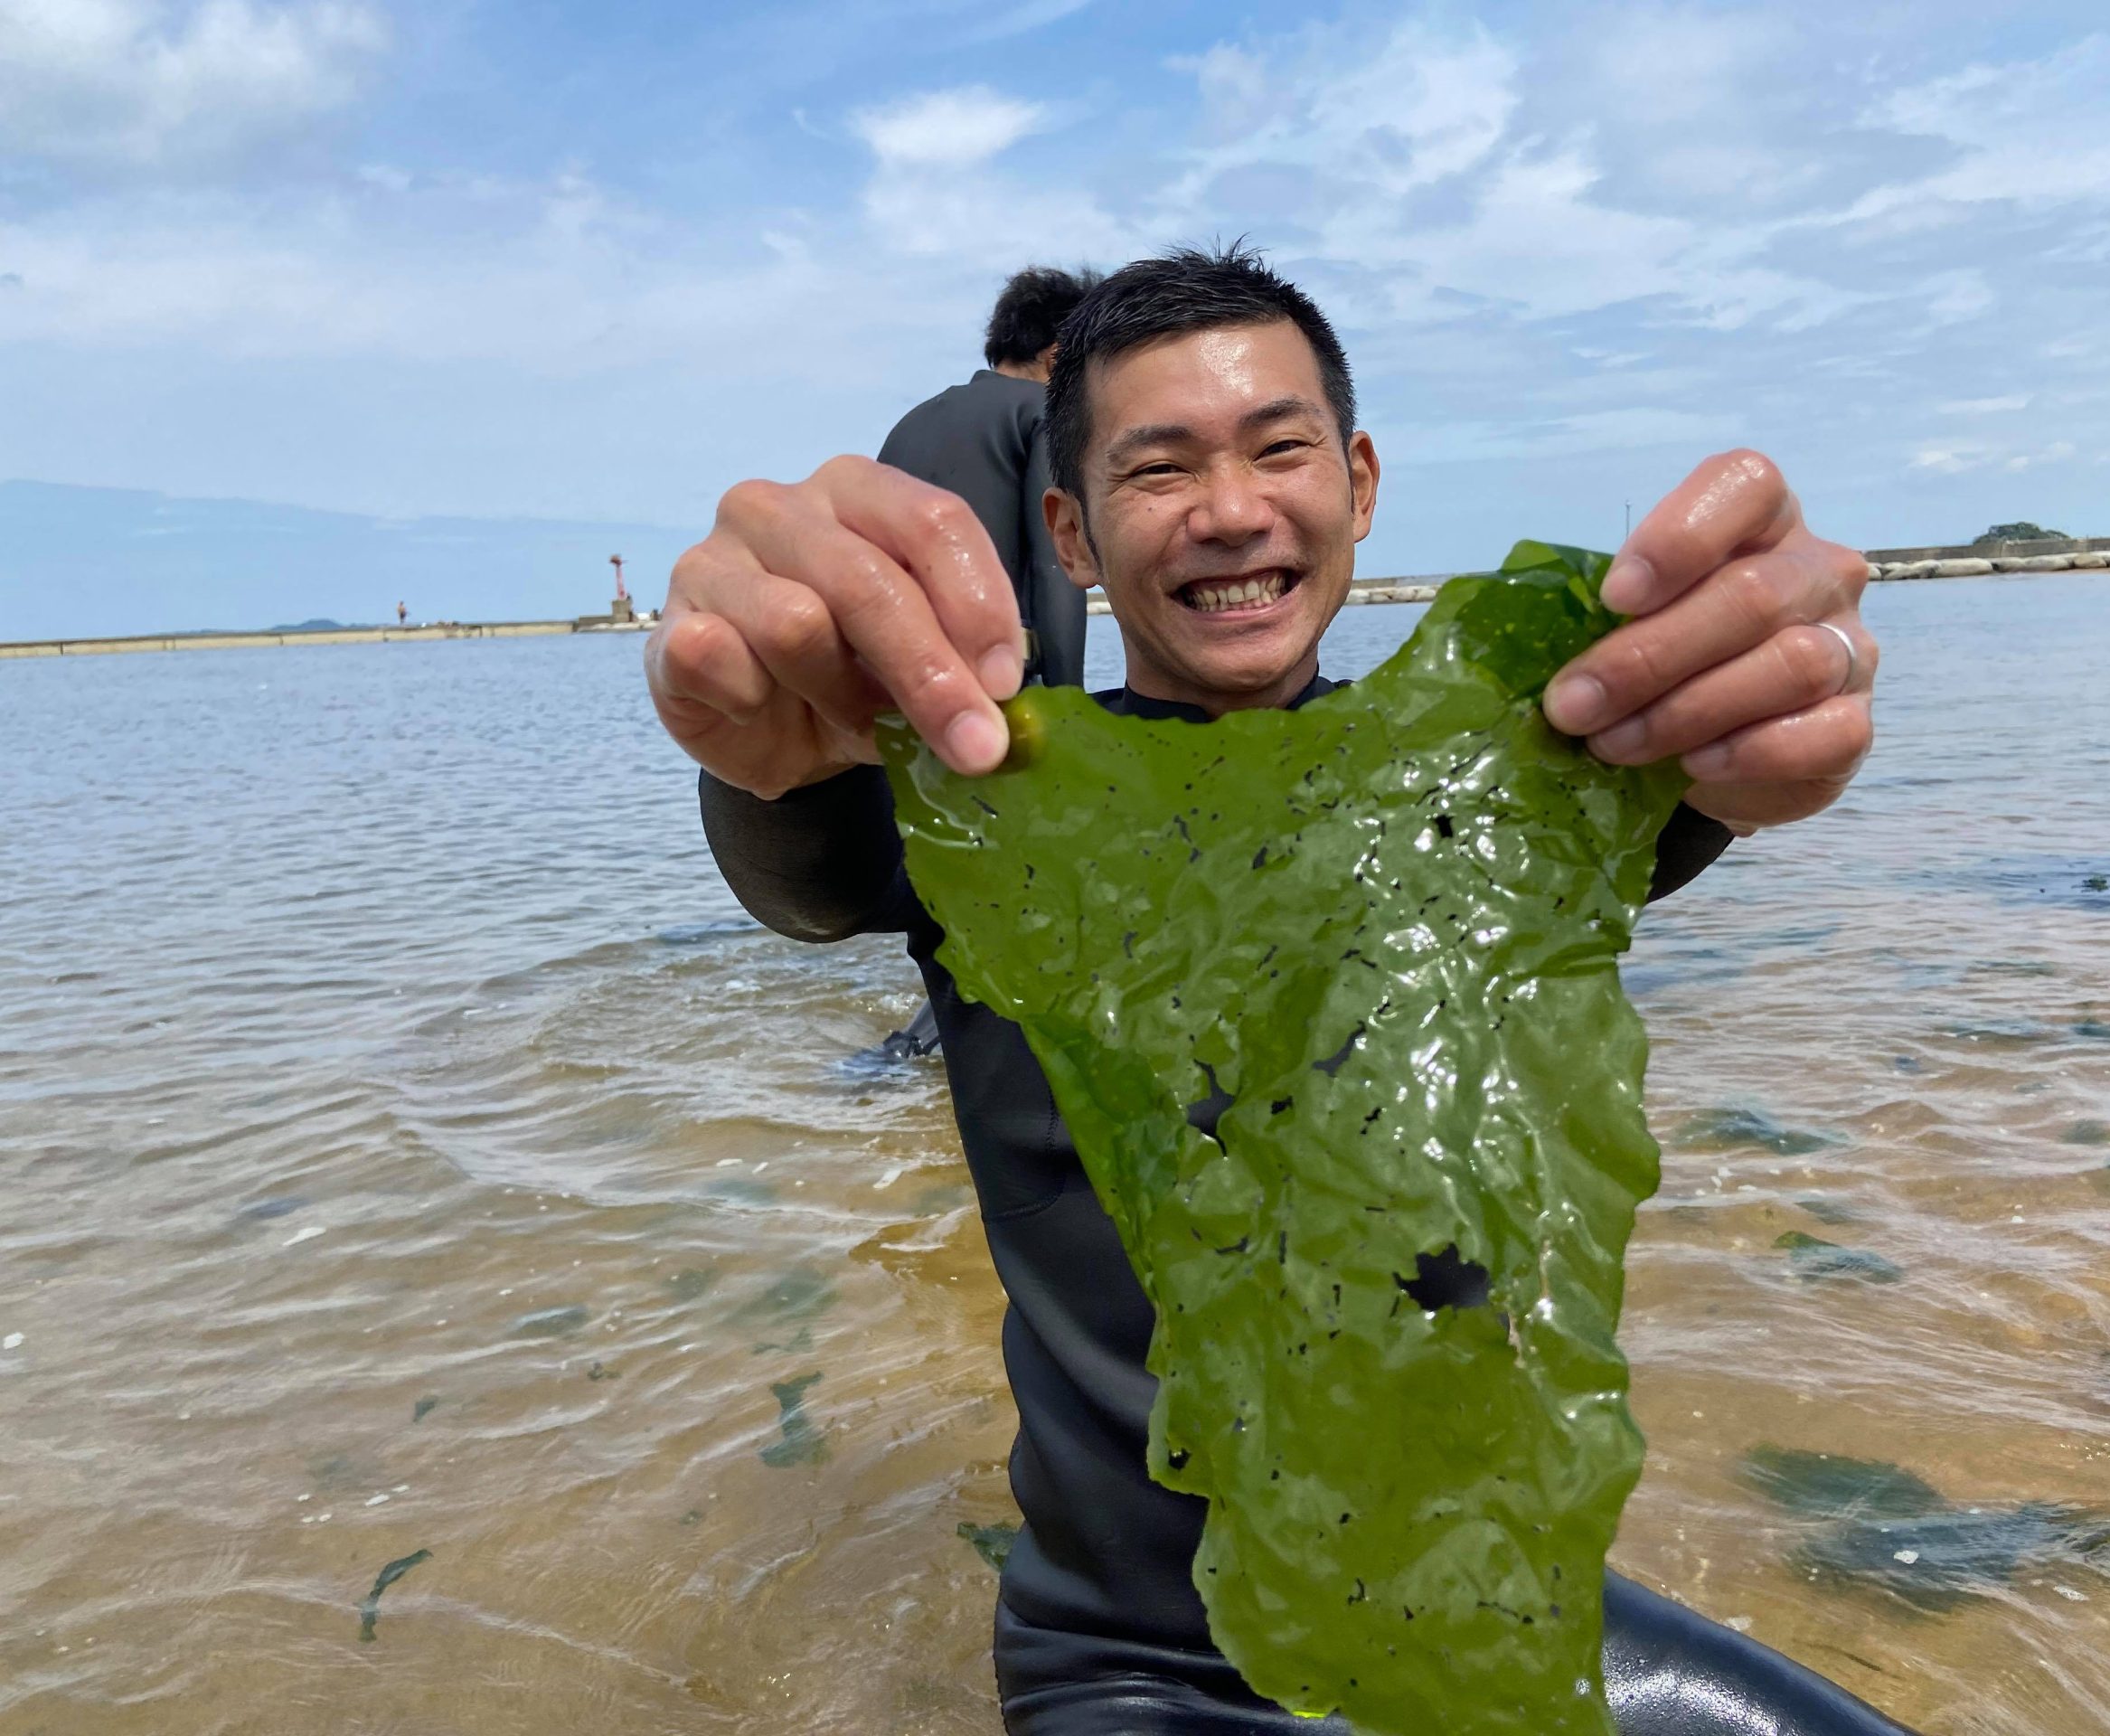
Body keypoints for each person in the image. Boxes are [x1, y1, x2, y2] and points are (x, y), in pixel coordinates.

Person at [646, 247, 1898, 1734]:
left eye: (1280, 447)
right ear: (1072, 535)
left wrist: (1773, 701)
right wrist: (754, 743)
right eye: (1159, 468)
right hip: (1138, 1666)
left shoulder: (1510, 786)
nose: (1231, 508)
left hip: (1486, 1597)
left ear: (1359, 484)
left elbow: (1698, 763)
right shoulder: (992, 809)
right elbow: (802, 861)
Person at [877, 264, 1102, 693]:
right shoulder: (1044, 411)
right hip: (995, 679)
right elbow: (1054, 564)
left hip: (899, 682)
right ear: (1058, 358)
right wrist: (1071, 710)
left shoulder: (911, 422)